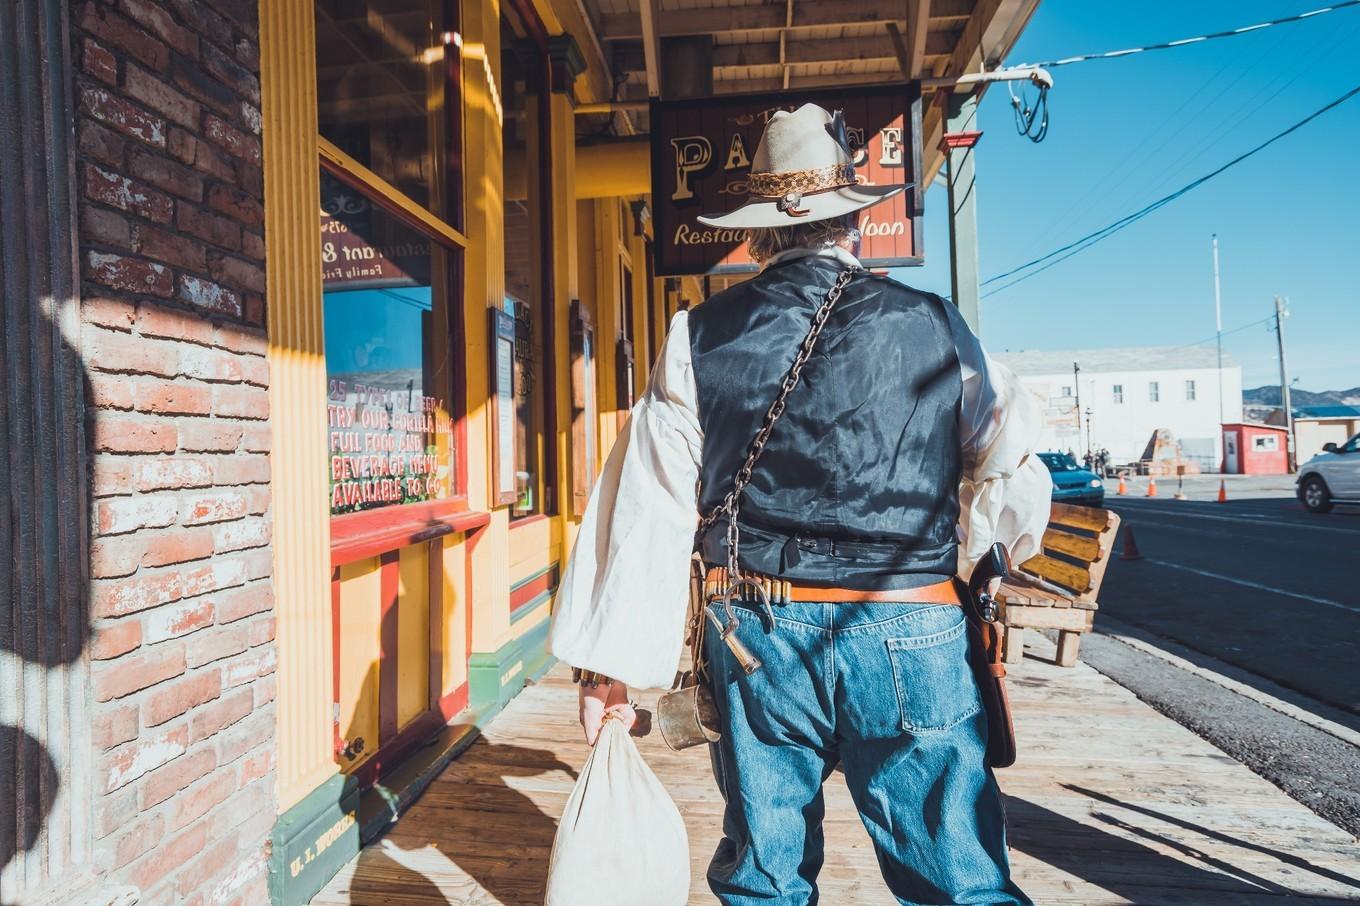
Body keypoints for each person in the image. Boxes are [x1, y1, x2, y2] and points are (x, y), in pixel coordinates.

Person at [550, 103, 1050, 905]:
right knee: (962, 883)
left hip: (757, 633)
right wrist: (977, 548)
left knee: (767, 881)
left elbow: (651, 507)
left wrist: (611, 671)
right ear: (852, 222)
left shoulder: (696, 336)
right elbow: (1009, 466)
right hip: (910, 619)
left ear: (758, 234)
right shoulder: (936, 326)